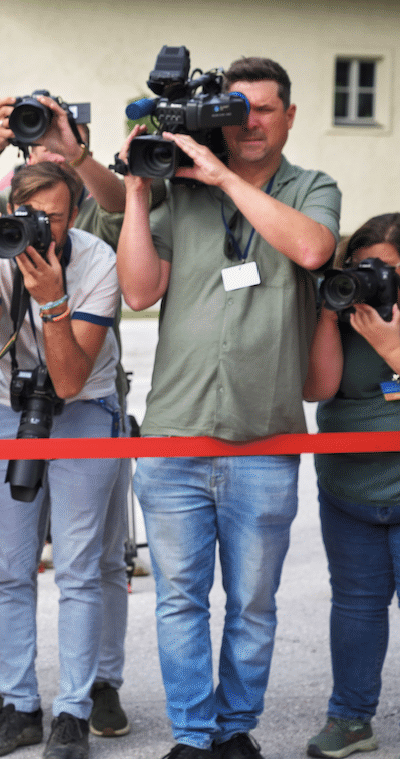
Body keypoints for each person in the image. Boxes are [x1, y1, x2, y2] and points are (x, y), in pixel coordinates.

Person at [116, 56, 341, 759]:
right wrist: (132, 191)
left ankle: (235, 729)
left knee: (251, 605)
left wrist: (221, 178)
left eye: (265, 109)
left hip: (265, 438)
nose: (249, 121)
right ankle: (192, 736)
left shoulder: (312, 188)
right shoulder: (179, 192)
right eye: (237, 107)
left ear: (290, 117)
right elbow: (138, 291)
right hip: (174, 435)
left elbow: (310, 247)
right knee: (180, 600)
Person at [0, 99, 135, 740]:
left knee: (81, 566)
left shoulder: (96, 262)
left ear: (74, 215)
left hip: (84, 410)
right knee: (8, 567)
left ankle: (76, 710)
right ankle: (20, 703)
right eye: (29, 219)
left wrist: (51, 299)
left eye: (52, 219)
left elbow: (73, 378)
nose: (40, 233)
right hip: (5, 409)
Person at [302, 213, 400, 759]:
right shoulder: (344, 314)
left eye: (388, 271)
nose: (374, 281)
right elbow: (319, 389)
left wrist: (392, 348)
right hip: (349, 490)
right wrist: (326, 311)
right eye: (364, 269)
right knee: (358, 607)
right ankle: (351, 720)